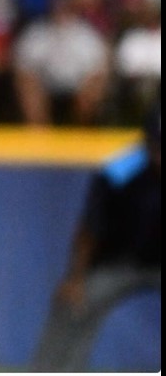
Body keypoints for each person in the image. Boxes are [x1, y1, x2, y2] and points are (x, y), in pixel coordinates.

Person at [30, 99, 161, 372]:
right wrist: (75, 278)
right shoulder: (122, 169)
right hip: (119, 263)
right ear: (147, 142)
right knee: (73, 304)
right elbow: (90, 227)